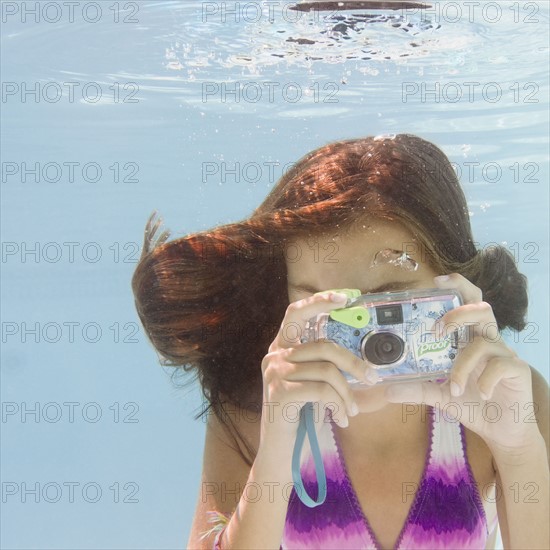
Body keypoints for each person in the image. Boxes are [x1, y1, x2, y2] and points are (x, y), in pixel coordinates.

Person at [131, 134, 549, 549]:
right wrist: (274, 455)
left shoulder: (507, 398)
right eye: (322, 307)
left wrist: (519, 450)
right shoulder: (253, 408)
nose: (359, 340)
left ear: (454, 285)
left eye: (388, 300)